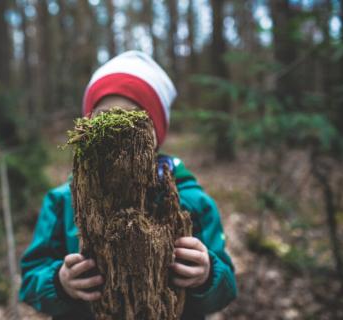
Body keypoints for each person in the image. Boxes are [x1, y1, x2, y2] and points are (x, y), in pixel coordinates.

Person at [19, 51, 237, 319]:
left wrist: (207, 275)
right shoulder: (63, 202)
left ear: (156, 133)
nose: (120, 131)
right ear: (87, 128)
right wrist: (59, 283)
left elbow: (226, 288)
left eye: (135, 119)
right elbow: (30, 280)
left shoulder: (192, 202)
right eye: (105, 118)